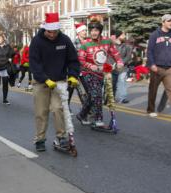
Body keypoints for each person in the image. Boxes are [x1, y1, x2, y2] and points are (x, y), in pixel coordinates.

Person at [29, 13, 80, 152]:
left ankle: (60, 137)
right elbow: (34, 64)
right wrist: (45, 79)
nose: (52, 35)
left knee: (59, 109)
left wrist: (73, 75)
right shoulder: (37, 41)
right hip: (41, 82)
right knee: (41, 111)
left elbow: (73, 60)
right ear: (45, 29)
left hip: (59, 82)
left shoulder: (64, 40)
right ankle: (40, 139)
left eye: (55, 32)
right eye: (49, 32)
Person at [77, 16, 123, 127]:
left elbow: (115, 53)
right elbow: (81, 60)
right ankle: (98, 119)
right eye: (91, 30)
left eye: (96, 30)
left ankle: (82, 114)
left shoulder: (107, 41)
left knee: (92, 96)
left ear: (100, 31)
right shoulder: (85, 44)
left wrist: (120, 62)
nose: (93, 33)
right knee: (97, 95)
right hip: (88, 73)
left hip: (102, 73)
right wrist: (90, 66)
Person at [68, 23, 88, 106]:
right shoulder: (74, 42)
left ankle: (85, 109)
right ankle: (66, 106)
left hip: (87, 69)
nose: (85, 32)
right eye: (83, 30)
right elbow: (72, 56)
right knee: (71, 89)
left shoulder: (89, 42)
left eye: (85, 30)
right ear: (78, 32)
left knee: (86, 90)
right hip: (76, 70)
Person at [113, 30, 132, 103]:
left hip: (123, 67)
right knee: (112, 83)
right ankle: (110, 98)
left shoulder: (127, 46)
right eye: (123, 35)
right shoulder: (112, 45)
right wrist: (114, 64)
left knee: (122, 81)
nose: (124, 36)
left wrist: (121, 62)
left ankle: (122, 98)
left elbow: (129, 56)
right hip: (113, 68)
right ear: (118, 36)